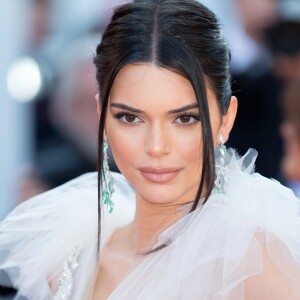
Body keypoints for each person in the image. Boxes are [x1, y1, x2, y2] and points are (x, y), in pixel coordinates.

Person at [0, 0, 300, 299]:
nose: (156, 147)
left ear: (226, 119)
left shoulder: (254, 270)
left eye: (185, 118)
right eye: (130, 118)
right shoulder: (66, 258)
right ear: (102, 117)